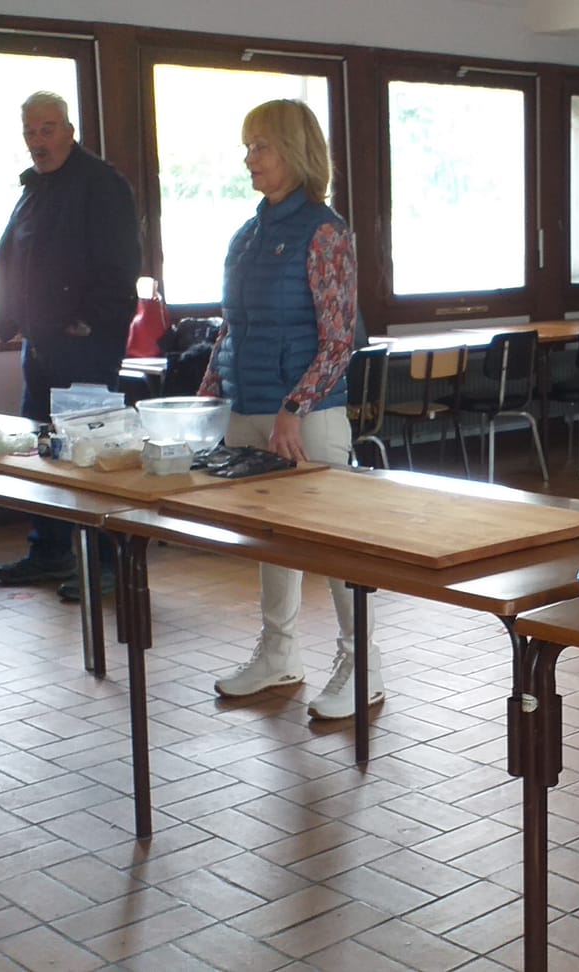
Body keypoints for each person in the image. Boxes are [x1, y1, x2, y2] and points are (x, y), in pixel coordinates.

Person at [198, 99, 375, 721]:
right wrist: (207, 394)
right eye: (247, 146)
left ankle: (363, 668)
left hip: (309, 418)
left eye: (262, 146)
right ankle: (279, 654)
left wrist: (294, 406)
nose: (249, 159)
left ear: (295, 153)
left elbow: (338, 339)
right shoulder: (248, 236)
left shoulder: (325, 232)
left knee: (335, 548)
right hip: (250, 411)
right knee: (271, 541)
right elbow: (232, 329)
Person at [0, 91, 141, 602]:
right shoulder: (35, 187)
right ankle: (50, 549)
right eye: (31, 131)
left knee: (91, 453)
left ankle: (105, 563)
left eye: (48, 129)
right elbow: (16, 257)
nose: (38, 141)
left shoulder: (102, 184)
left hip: (86, 344)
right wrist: (11, 319)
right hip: (42, 342)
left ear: (70, 131)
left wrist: (88, 322)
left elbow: (121, 264)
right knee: (42, 451)